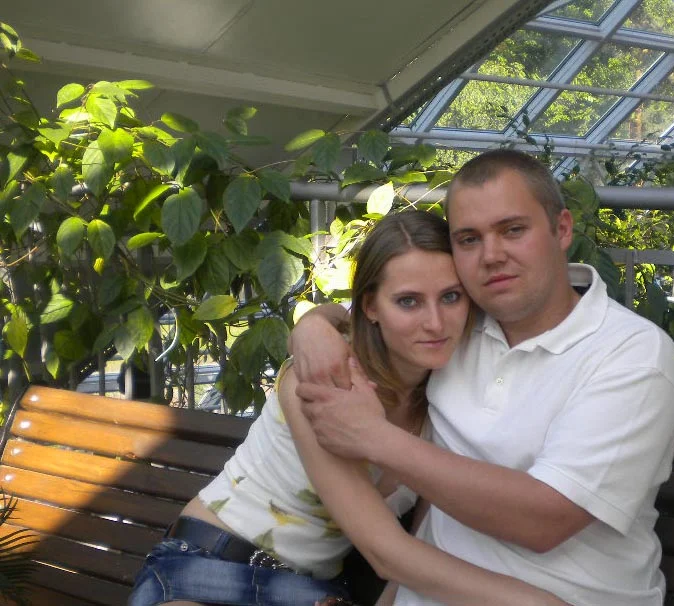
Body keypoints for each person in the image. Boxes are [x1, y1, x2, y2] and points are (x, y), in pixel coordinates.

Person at [291, 149, 674, 605]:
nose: (492, 256)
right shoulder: (453, 323)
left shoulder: (631, 354)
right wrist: (312, 327)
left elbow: (544, 520)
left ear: (562, 229)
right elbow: (364, 315)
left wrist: (372, 437)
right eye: (469, 239)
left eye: (513, 230)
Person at [127, 210, 569, 606]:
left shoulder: (450, 399)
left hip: (315, 593)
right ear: (370, 306)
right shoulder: (326, 379)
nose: (435, 323)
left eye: (451, 297)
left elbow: (420, 543)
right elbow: (386, 552)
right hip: (210, 567)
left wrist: (314, 320)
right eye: (408, 301)